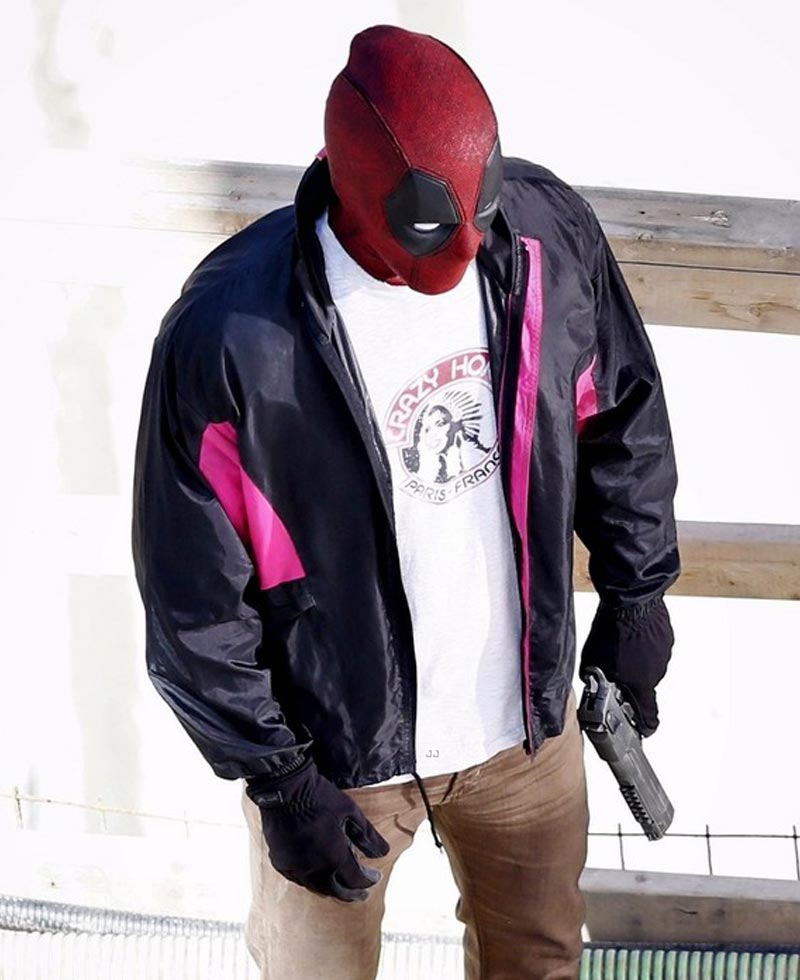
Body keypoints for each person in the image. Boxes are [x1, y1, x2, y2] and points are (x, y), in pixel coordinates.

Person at [132, 24, 680, 980]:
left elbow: (620, 415)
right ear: (356, 182)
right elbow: (192, 595)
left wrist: (637, 596)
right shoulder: (229, 335)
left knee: (541, 963)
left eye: (482, 205)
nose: (469, 245)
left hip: (524, 737)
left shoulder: (548, 240)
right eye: (434, 222)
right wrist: (277, 775)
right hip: (332, 761)